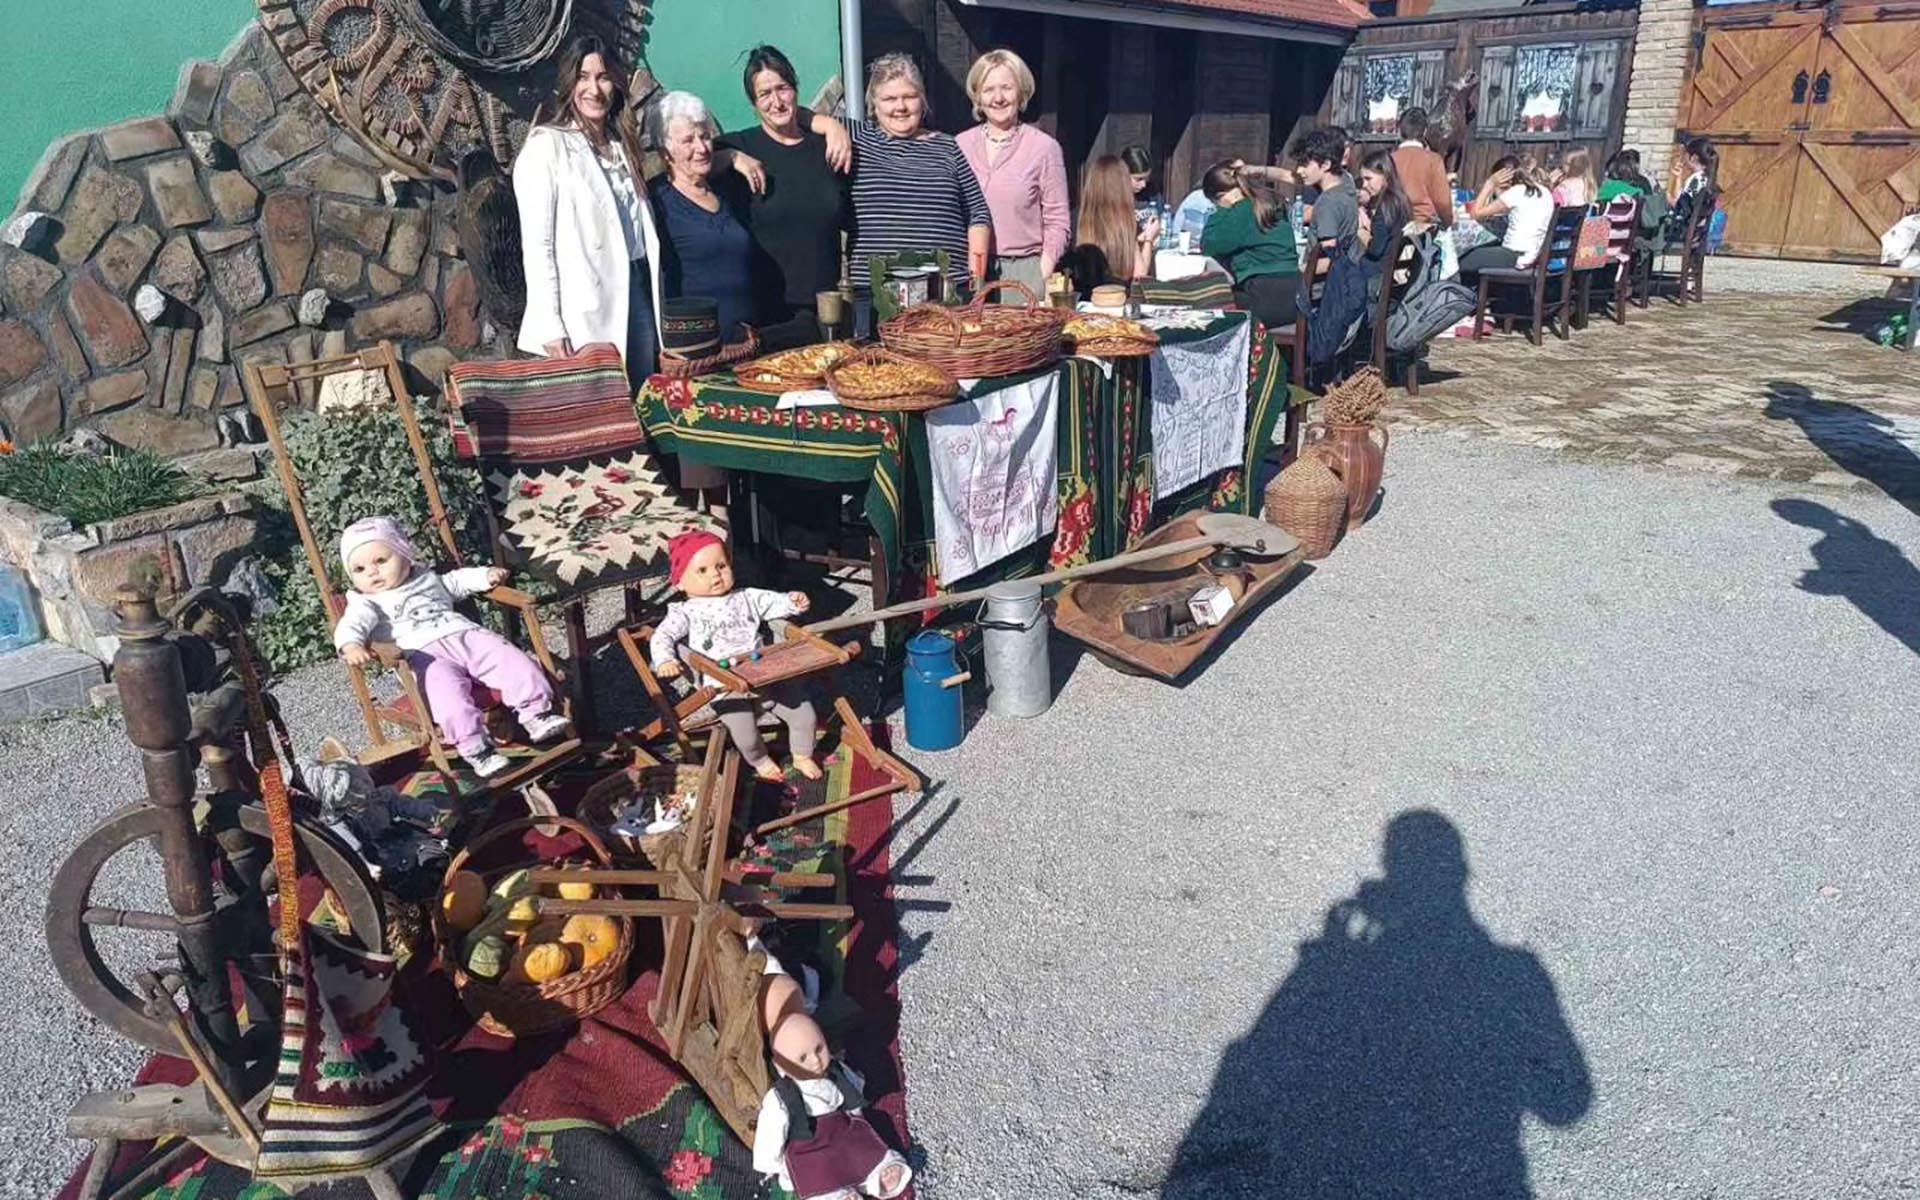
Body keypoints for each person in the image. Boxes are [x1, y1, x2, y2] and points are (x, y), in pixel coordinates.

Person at [333, 517, 568, 778]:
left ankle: (536, 713)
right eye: (359, 569)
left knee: (510, 659)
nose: (372, 572)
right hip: (423, 656)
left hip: (466, 636)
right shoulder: (366, 603)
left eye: (380, 560)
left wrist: (485, 576)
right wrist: (351, 645)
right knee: (447, 697)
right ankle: (475, 747)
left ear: (405, 555)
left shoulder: (427, 578)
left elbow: (457, 581)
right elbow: (351, 625)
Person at [513, 35, 667, 389]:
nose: (594, 89)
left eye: (603, 77)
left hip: (639, 290)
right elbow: (538, 246)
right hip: (586, 307)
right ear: (568, 84)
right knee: (602, 409)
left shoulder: (621, 146)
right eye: (583, 77)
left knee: (643, 400)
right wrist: (550, 324)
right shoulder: (547, 147)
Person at [846, 53, 992, 326]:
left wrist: (976, 285)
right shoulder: (857, 139)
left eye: (909, 96)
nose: (900, 106)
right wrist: (830, 127)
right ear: (873, 104)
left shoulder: (947, 146)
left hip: (945, 294)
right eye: (889, 99)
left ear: (922, 100)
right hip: (876, 295)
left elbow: (978, 213)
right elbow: (803, 118)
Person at [722, 45, 853, 348]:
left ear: (795, 89)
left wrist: (831, 124)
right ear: (753, 102)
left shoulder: (828, 147)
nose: (776, 101)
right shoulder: (742, 146)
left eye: (782, 88)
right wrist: (730, 157)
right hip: (766, 314)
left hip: (826, 311)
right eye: (764, 94)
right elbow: (689, 161)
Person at [956, 49, 1070, 294]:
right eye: (988, 89)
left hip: (1021, 273)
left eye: (1006, 88)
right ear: (977, 96)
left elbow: (1058, 221)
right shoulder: (959, 146)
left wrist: (1039, 273)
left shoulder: (1044, 148)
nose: (998, 98)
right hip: (966, 270)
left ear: (1021, 92)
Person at [1198, 160, 1300, 327]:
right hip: (1293, 297)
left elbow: (1209, 245)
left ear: (1221, 196)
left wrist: (1220, 210)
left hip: (1265, 299)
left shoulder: (1240, 212)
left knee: (1206, 302)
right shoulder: (1271, 201)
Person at [1064, 155, 1159, 297]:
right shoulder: (1125, 221)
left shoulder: (1075, 218)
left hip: (1082, 300)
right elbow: (1140, 273)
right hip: (1117, 298)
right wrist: (1149, 239)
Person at [1460, 156, 1554, 275]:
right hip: (1534, 254)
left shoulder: (1517, 192)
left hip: (1514, 254)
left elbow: (1475, 214)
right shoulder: (1543, 191)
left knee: (1459, 261)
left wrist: (1489, 184)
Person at [1298, 127, 1360, 267]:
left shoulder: (1328, 202)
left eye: (1305, 164)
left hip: (1323, 279)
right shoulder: (1346, 186)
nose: (1299, 170)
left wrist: (1299, 271)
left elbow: (1329, 259)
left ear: (1326, 165)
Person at [1357, 151, 1415, 291]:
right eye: (1363, 180)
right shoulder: (1400, 200)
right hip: (1392, 271)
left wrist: (1359, 231)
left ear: (1384, 175)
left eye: (1368, 179)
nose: (1364, 185)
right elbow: (1387, 234)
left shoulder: (1385, 206)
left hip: (1377, 276)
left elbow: (1376, 250)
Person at [1390, 108, 1453, 226]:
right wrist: (1448, 222)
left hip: (1392, 223)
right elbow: (1443, 202)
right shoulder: (1434, 160)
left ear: (1399, 130)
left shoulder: (1389, 159)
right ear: (1425, 132)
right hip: (1423, 225)